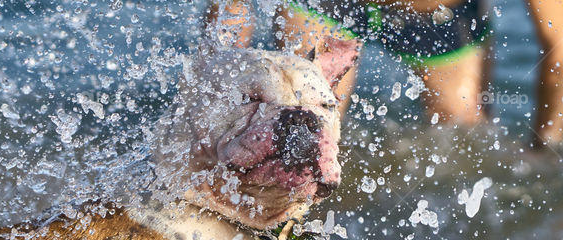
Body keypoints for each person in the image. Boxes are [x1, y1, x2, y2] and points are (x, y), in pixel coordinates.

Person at [208, 0, 563, 147]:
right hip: (326, 6)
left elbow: (558, 44)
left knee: (464, 134)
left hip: (438, 16)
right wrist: (218, 64)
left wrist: (542, 147)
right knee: (305, 131)